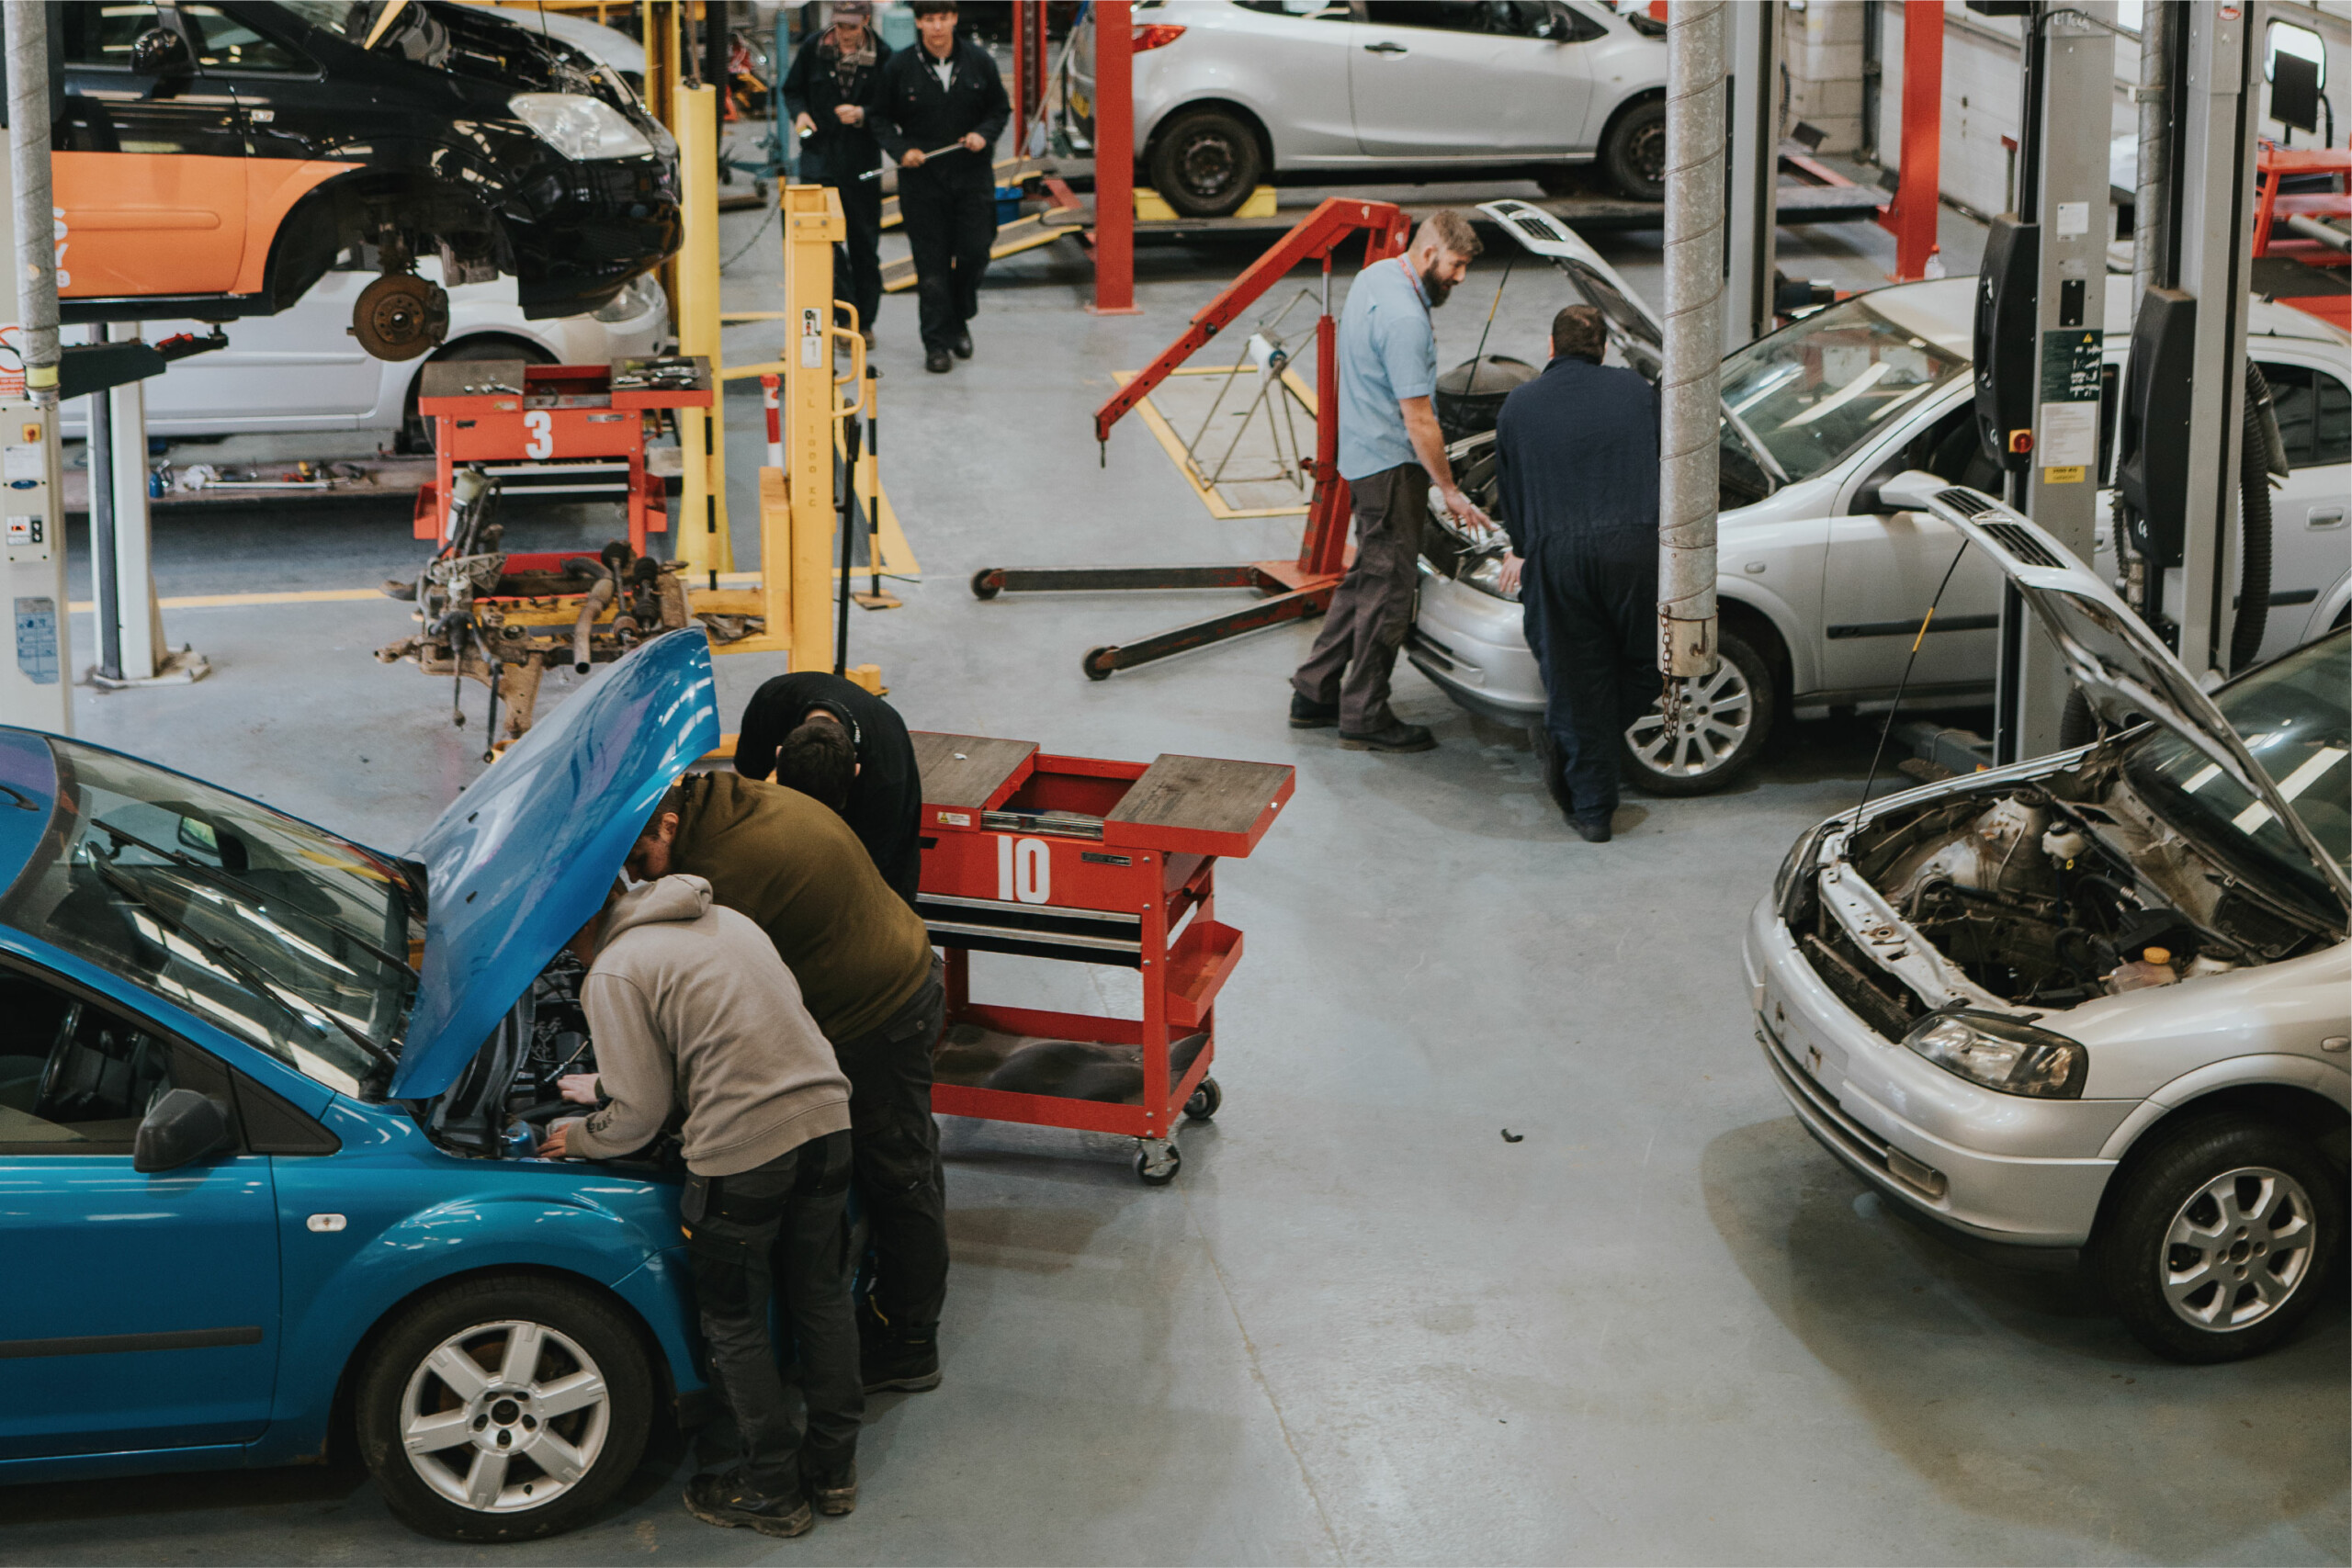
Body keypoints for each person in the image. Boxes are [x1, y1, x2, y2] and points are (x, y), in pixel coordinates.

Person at [543, 874, 861, 1539]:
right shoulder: (726, 918)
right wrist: (606, 1081)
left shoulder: (615, 970)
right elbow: (720, 1036)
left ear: (571, 924)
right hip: (829, 1124)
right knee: (822, 1298)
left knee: (734, 1321)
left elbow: (639, 1119)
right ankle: (833, 1470)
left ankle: (770, 1486)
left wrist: (575, 1136)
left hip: (746, 1153)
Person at [627, 773, 951, 1393]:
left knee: (899, 1172)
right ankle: (895, 1292)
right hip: (894, 972)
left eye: (640, 860)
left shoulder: (727, 866)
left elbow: (726, 1000)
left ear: (667, 826)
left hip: (877, 1013)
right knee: (907, 1149)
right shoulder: (722, 799)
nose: (639, 877)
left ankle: (910, 1341)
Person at [1289, 209, 1492, 753]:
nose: (1460, 277)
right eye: (1456, 265)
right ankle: (1365, 714)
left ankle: (1314, 690)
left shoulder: (1375, 276)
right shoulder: (1405, 320)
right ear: (1429, 255)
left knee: (1367, 576)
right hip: (1388, 466)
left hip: (1361, 451)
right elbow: (1419, 418)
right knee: (1390, 591)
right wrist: (1449, 489)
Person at [1491, 304, 1663, 843]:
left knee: (1574, 681)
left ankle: (1592, 809)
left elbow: (1511, 494)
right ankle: (1582, 742)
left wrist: (1524, 549)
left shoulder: (1518, 405)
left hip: (1558, 557)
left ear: (1550, 347)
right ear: (1604, 349)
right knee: (1650, 665)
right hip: (1634, 551)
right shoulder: (1639, 391)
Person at [874, 0, 1008, 375]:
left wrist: (984, 135)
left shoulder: (979, 62)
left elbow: (999, 110)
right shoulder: (899, 67)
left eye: (942, 18)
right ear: (918, 22)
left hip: (972, 178)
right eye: (929, 19)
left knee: (974, 252)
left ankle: (959, 317)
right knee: (931, 269)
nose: (936, 27)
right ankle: (936, 343)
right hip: (923, 182)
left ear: (954, 19)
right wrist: (902, 151)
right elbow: (879, 117)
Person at [734, 671, 923, 909]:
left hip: (878, 855)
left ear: (856, 770)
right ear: (779, 753)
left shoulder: (886, 778)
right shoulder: (771, 702)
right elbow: (741, 793)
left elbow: (870, 879)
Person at [783, 2, 891, 346]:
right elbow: (792, 90)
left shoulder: (884, 56)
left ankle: (864, 322)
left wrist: (863, 113)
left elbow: (892, 106)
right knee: (822, 241)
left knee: (863, 242)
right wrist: (800, 115)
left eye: (852, 27)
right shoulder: (815, 49)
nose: (845, 34)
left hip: (861, 159)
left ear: (866, 22)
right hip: (819, 155)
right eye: (841, 25)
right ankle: (841, 315)